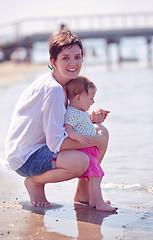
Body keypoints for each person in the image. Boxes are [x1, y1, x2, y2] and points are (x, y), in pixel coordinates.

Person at [5, 30, 109, 208]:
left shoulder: (64, 84)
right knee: (84, 157)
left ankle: (83, 193)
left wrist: (89, 120)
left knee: (101, 131)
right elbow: (55, 144)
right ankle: (35, 182)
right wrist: (95, 140)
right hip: (26, 156)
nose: (73, 63)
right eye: (65, 58)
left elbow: (60, 120)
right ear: (53, 62)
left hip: (40, 146)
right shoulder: (53, 90)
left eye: (77, 57)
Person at [64, 76, 116, 212]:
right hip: (85, 150)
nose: (93, 102)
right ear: (78, 98)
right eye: (91, 98)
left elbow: (83, 123)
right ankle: (98, 203)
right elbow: (67, 128)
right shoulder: (72, 113)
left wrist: (94, 118)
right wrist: (77, 136)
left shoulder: (80, 112)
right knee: (95, 176)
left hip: (89, 149)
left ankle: (93, 199)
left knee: (95, 176)